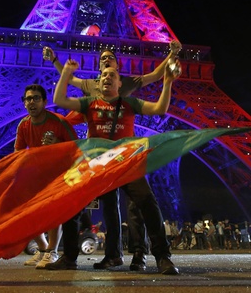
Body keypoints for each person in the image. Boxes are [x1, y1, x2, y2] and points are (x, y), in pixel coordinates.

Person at [44, 43, 182, 270]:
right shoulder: (90, 98)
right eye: (103, 72)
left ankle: (161, 256)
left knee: (146, 203)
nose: (107, 75)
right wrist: (63, 68)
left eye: (112, 73)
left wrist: (168, 78)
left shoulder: (129, 100)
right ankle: (74, 257)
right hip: (99, 162)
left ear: (121, 82)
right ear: (97, 80)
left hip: (126, 160)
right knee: (75, 203)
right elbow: (60, 99)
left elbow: (159, 108)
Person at [15, 84, 78, 269]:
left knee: (52, 211)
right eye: (28, 99)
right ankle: (43, 248)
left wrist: (57, 143)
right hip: (36, 174)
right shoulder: (23, 125)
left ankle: (52, 251)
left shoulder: (59, 122)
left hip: (59, 174)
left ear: (44, 101)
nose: (31, 102)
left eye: (35, 98)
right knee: (26, 210)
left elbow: (77, 148)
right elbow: (18, 152)